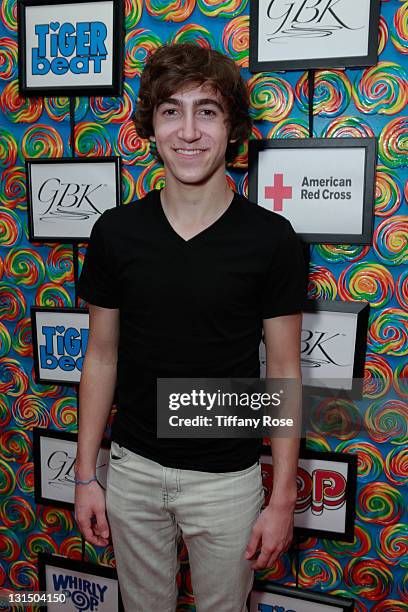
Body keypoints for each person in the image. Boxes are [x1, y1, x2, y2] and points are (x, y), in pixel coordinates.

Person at [75, 43, 306, 612]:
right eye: (170, 111)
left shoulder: (272, 240)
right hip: (131, 472)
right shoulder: (116, 232)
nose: (188, 131)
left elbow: (283, 372)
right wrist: (85, 476)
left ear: (232, 129)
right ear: (150, 126)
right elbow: (101, 357)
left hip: (228, 483)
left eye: (207, 110)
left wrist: (280, 501)